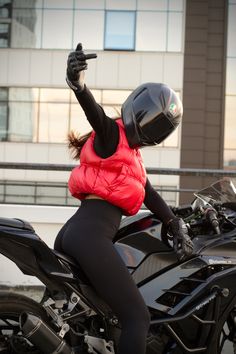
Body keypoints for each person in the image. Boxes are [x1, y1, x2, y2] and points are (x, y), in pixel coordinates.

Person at [54, 43, 193, 354]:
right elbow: (96, 116)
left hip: (76, 233)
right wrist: (78, 84)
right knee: (137, 319)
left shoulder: (130, 157)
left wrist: (176, 222)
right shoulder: (112, 136)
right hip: (89, 237)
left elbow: (150, 194)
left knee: (101, 318)